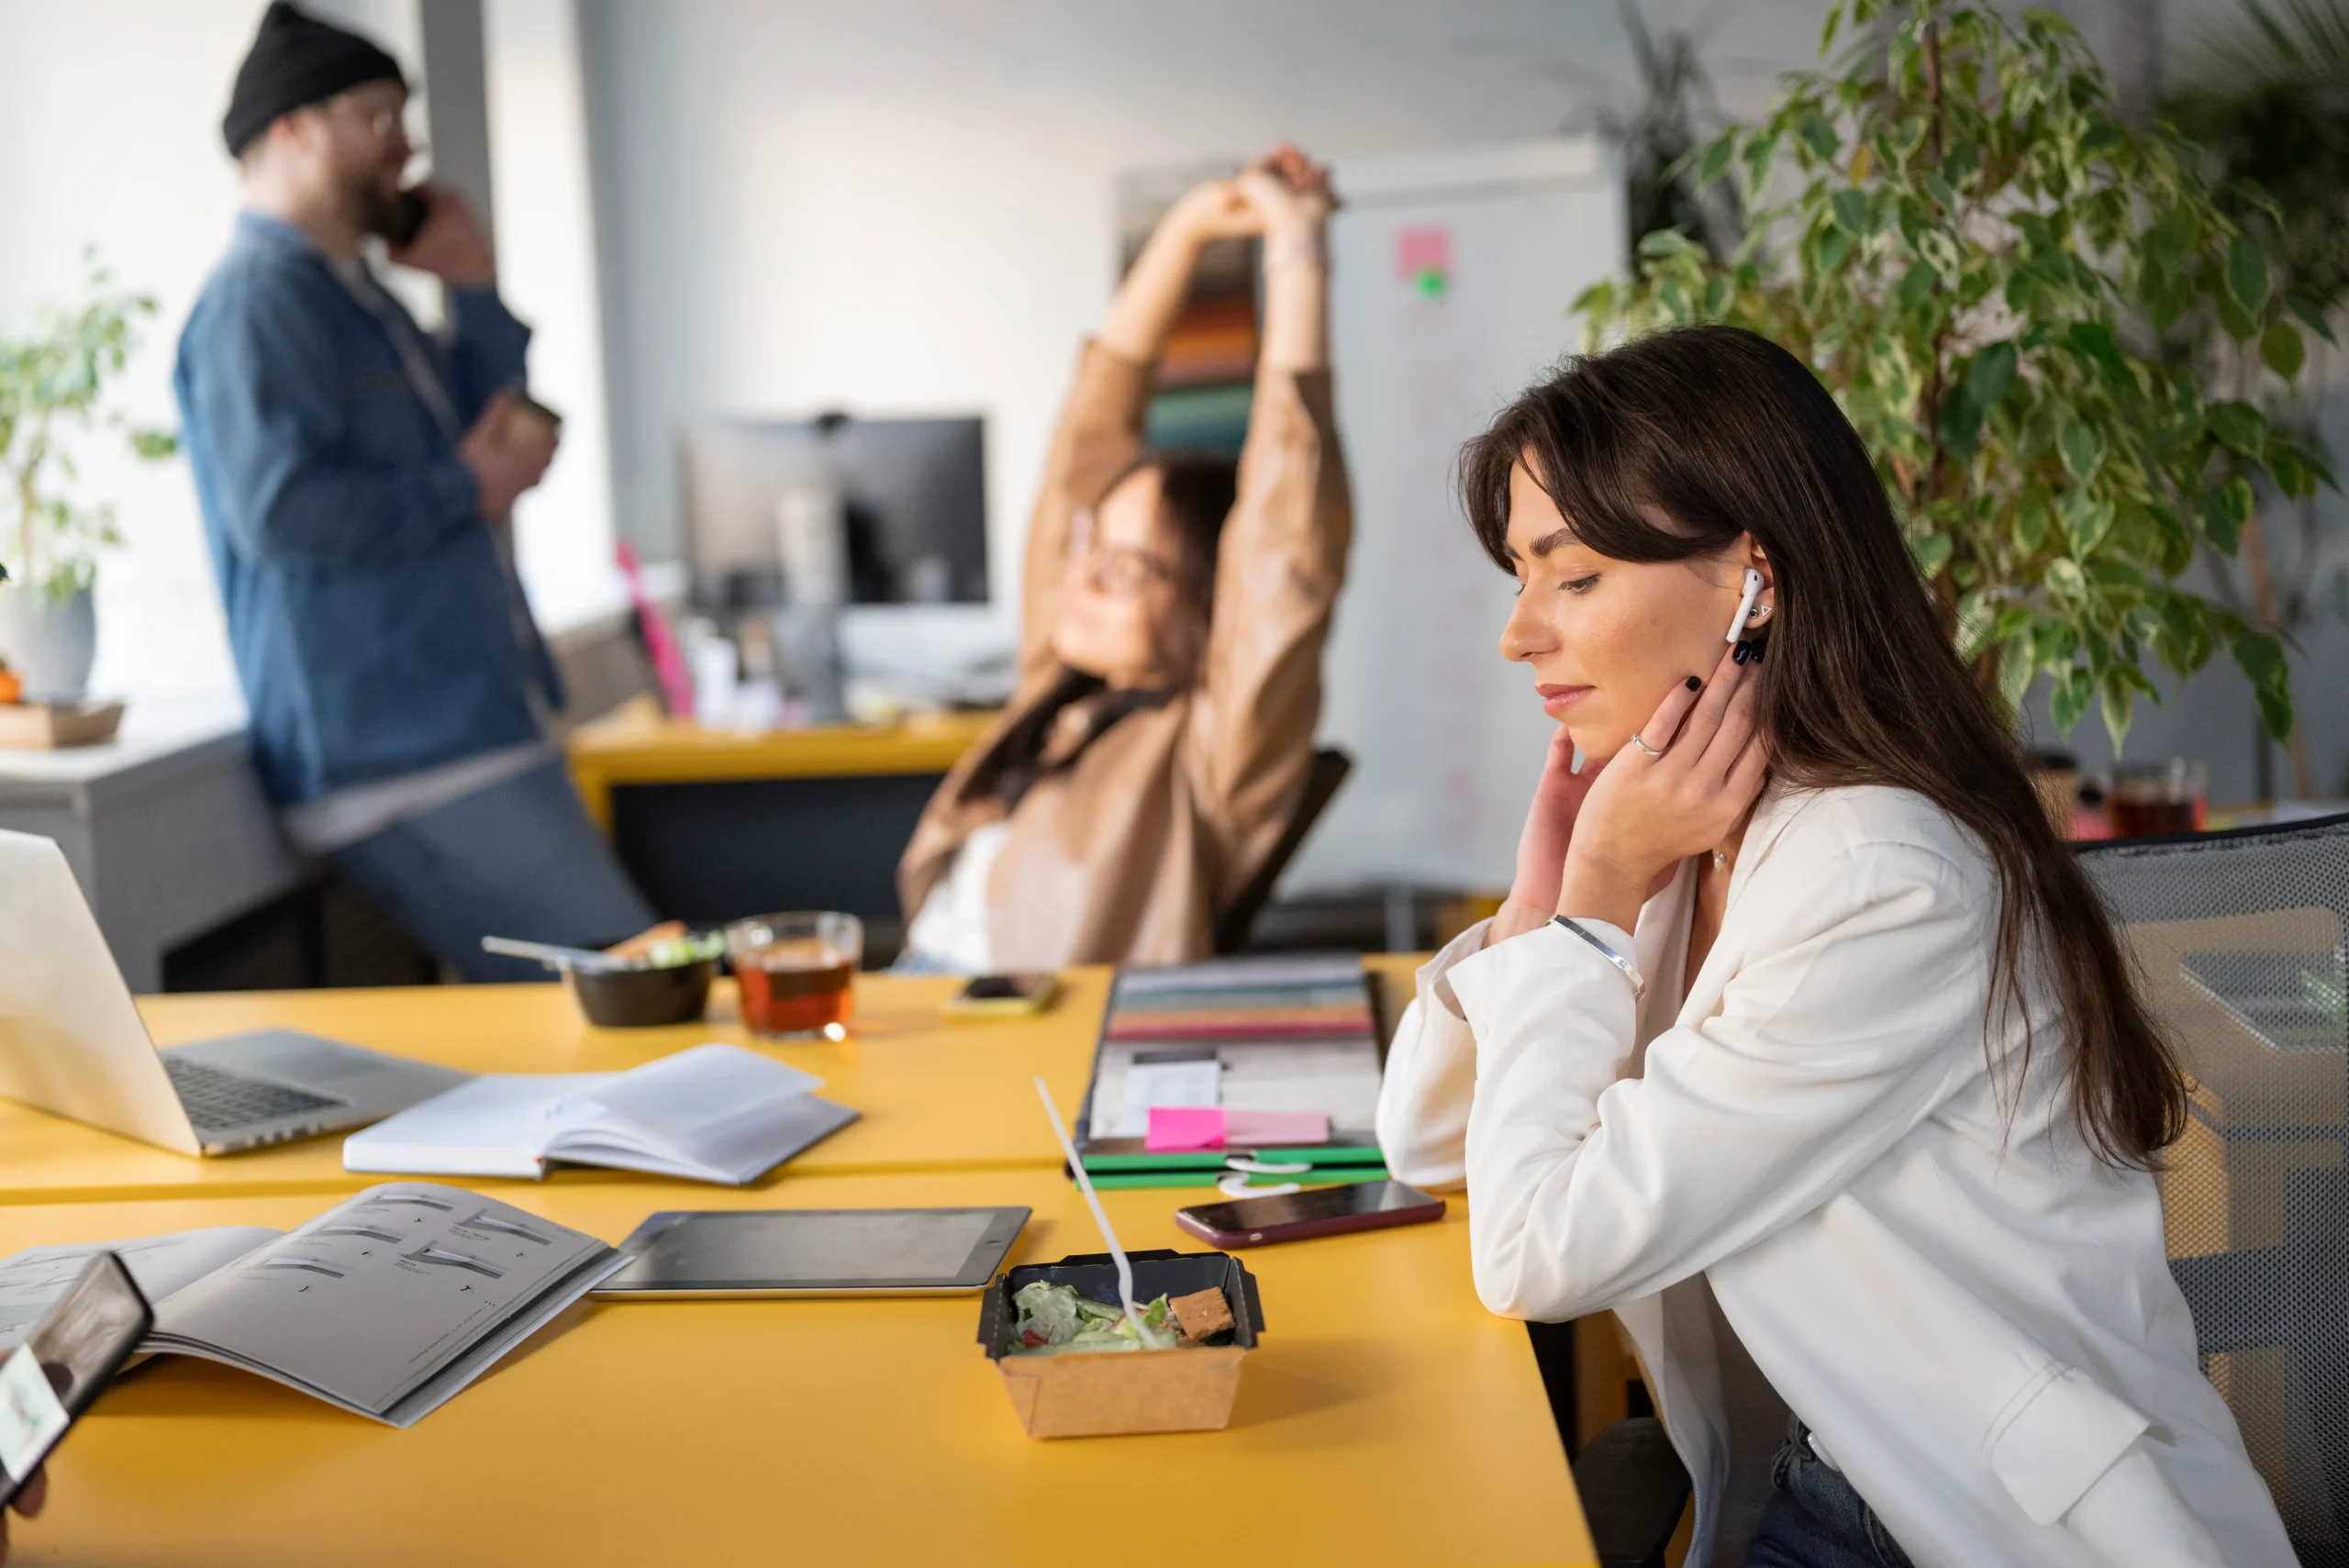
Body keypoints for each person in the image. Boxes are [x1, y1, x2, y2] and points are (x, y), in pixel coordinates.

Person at [1375, 326, 2291, 1567]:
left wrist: (1594, 895)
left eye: (1572, 576)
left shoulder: (1874, 877)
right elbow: (1433, 1145)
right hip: (1836, 1491)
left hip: (1970, 1529)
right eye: (1520, 579)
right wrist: (1549, 913)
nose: (1519, 634)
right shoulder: (1697, 829)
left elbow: (1537, 1248)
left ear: (1755, 580)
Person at [174, 3, 654, 982]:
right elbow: (282, 512)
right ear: (292, 127)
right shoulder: (256, 307)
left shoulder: (360, 297)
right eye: (378, 117)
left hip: (469, 724)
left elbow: (480, 422)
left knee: (622, 1006)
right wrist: (465, 486)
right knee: (636, 994)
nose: (407, 144)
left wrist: (473, 285)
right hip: (402, 755)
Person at [894, 146, 1350, 972]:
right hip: (919, 1005)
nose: (1086, 576)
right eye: (1090, 546)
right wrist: (1183, 235)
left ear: (1214, 598)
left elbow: (1289, 532)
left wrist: (1296, 243)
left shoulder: (1219, 751)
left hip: (1037, 1055)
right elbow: (1085, 444)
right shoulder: (1065, 684)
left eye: (1129, 566)